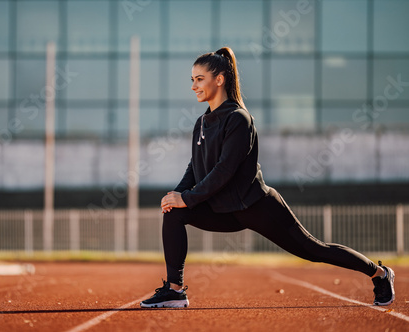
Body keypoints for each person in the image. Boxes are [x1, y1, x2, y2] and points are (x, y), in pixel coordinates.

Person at [140, 47, 395, 308]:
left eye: (199, 79)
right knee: (173, 212)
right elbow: (195, 166)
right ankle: (175, 290)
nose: (194, 86)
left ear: (219, 79)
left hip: (256, 207)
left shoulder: (239, 119)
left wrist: (189, 198)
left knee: (314, 250)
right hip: (222, 209)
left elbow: (224, 170)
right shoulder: (202, 122)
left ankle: (380, 274)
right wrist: (177, 195)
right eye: (192, 80)